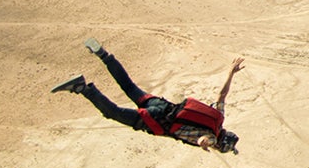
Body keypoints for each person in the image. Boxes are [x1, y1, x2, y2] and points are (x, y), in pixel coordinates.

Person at [53, 39, 241, 153]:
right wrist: (205, 143)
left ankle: (103, 54)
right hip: (154, 121)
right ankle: (82, 88)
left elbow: (222, 95)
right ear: (220, 143)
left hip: (162, 105)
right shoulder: (211, 137)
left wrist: (231, 72)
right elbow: (201, 139)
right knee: (113, 113)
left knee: (129, 86)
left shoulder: (219, 117)